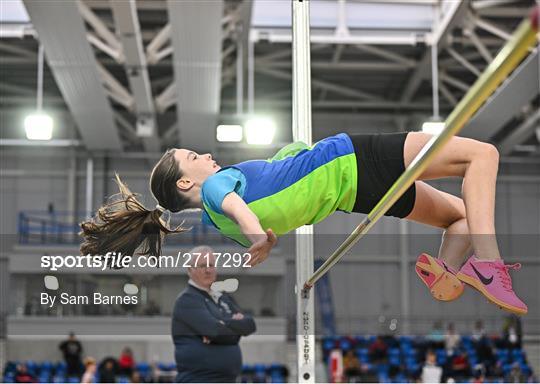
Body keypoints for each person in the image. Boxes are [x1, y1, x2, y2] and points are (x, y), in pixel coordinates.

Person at [80, 132, 526, 314]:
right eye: (195, 158)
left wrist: (291, 151)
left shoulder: (224, 216)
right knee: (482, 155)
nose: (207, 157)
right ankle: (490, 265)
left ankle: (447, 270)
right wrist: (259, 239)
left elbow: (279, 183)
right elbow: (244, 210)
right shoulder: (220, 193)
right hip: (352, 159)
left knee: (463, 214)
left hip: (355, 194)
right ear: (184, 183)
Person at [171, 246, 256, 382]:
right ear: (190, 270)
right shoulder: (187, 300)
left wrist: (223, 323)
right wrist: (233, 328)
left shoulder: (223, 297)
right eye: (203, 266)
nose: (208, 270)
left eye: (211, 265)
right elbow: (215, 332)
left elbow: (250, 325)